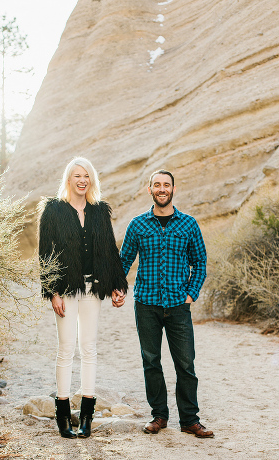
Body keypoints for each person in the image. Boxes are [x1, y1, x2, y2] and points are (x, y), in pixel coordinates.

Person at [38, 157, 128, 438]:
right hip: (64, 289)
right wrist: (52, 291)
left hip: (93, 288)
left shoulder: (100, 212)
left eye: (86, 175)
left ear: (91, 180)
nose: (82, 180)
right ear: (69, 179)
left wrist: (117, 285)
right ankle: (63, 415)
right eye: (77, 175)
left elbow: (110, 252)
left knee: (89, 348)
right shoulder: (53, 210)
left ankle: (87, 417)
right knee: (66, 349)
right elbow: (45, 254)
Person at [119, 170, 213, 438]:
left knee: (185, 364)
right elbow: (123, 262)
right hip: (146, 304)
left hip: (178, 306)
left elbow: (200, 262)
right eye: (157, 185)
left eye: (166, 185)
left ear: (173, 189)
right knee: (151, 361)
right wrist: (117, 288)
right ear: (150, 190)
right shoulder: (137, 225)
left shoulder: (188, 224)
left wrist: (191, 294)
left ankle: (190, 420)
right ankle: (159, 416)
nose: (162, 189)